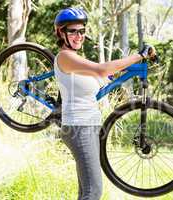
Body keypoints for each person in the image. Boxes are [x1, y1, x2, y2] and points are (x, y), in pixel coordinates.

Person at [53, 7, 156, 200]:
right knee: (94, 192)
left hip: (88, 127)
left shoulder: (77, 59)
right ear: (61, 33)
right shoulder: (65, 57)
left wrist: (130, 67)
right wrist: (139, 55)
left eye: (82, 31)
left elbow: (105, 75)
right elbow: (101, 70)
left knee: (85, 192)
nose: (78, 36)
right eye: (72, 31)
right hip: (78, 128)